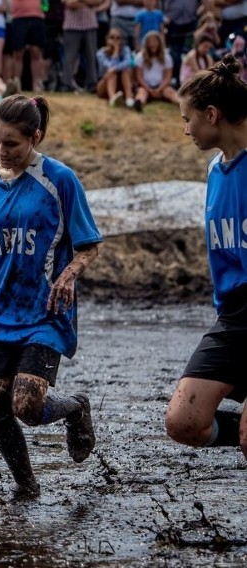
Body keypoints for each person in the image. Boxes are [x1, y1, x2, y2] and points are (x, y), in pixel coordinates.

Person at [0, 94, 103, 498]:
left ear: (35, 137)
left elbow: (89, 244)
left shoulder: (60, 180)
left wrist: (68, 275)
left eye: (12, 143)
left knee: (27, 405)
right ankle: (27, 487)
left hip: (45, 311)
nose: (2, 151)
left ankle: (75, 407)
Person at [166, 54, 247, 459]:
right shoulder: (216, 169)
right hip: (233, 317)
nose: (185, 129)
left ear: (212, 114)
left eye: (189, 118)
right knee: (184, 422)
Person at [133, 30, 179, 109]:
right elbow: (139, 76)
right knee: (142, 92)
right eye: (149, 42)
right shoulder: (140, 57)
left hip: (161, 86)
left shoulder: (166, 57)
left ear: (159, 43)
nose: (152, 44)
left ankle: (182, 103)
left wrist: (159, 89)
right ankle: (139, 102)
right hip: (145, 86)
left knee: (170, 92)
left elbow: (167, 77)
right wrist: (149, 89)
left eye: (154, 42)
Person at [95, 27, 137, 108]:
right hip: (105, 84)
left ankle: (129, 99)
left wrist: (117, 50)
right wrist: (116, 51)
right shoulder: (101, 53)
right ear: (107, 39)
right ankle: (112, 99)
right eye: (112, 37)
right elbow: (110, 66)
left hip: (123, 83)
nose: (115, 40)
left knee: (125, 70)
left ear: (121, 40)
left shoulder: (126, 50)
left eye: (118, 38)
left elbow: (128, 62)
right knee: (111, 72)